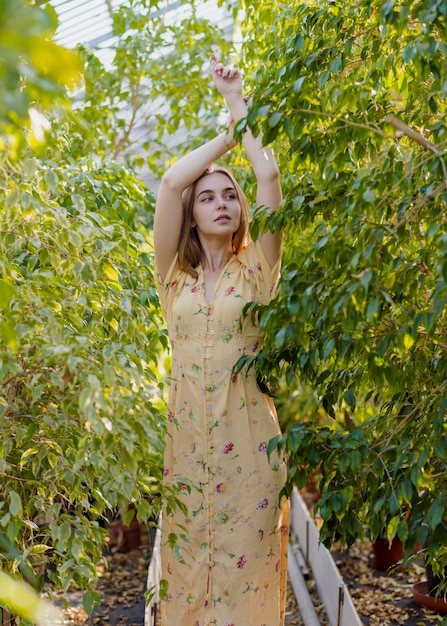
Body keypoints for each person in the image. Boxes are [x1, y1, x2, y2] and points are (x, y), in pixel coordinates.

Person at [153, 54, 289, 626]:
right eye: (208, 197)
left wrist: (241, 107)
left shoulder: (257, 268)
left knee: (248, 578)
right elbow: (168, 181)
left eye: (228, 196)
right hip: (186, 451)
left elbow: (270, 179)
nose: (223, 203)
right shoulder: (172, 278)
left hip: (251, 453)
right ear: (191, 216)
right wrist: (223, 138)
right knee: (187, 577)